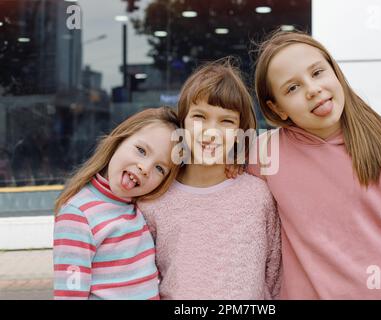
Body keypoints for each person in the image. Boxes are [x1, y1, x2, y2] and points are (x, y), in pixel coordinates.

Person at [247, 29, 381, 299]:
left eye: (317, 73)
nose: (313, 89)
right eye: (293, 88)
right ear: (278, 108)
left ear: (335, 72)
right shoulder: (264, 154)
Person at [138, 58, 281, 300]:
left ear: (239, 132)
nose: (210, 131)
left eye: (226, 121)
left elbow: (275, 274)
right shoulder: (154, 200)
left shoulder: (259, 196)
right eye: (199, 117)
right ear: (182, 121)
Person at [53, 107, 180, 300]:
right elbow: (69, 295)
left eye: (160, 168)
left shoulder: (143, 208)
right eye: (141, 150)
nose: (145, 168)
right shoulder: (78, 215)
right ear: (119, 141)